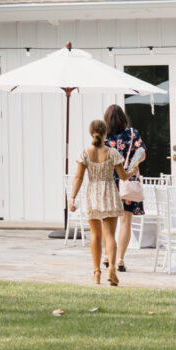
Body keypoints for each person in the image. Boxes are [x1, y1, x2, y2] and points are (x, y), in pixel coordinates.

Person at [69, 117, 126, 287]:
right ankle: (112, 270)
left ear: (90, 133)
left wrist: (72, 198)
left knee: (95, 235)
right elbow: (123, 176)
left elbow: (78, 177)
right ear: (106, 133)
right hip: (109, 193)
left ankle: (96, 273)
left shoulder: (85, 153)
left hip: (92, 194)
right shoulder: (112, 153)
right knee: (109, 235)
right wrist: (132, 171)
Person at [105, 103, 146, 274]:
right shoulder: (132, 133)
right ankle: (120, 259)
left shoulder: (104, 136)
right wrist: (131, 167)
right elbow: (142, 152)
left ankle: (108, 256)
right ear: (123, 118)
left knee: (109, 221)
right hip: (128, 181)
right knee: (125, 221)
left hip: (109, 182)